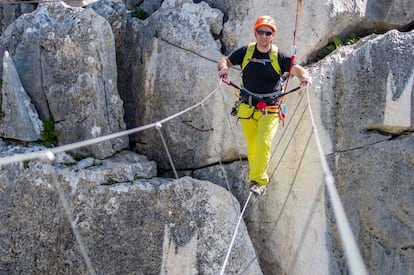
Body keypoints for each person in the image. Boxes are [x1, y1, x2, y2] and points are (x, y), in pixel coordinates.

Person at [217, 15, 312, 196]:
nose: (264, 36)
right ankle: (254, 179)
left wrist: (304, 76)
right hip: (247, 108)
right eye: (260, 32)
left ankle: (260, 181)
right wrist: (223, 69)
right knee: (253, 147)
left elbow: (297, 68)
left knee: (263, 143)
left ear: (272, 36)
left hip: (270, 109)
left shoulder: (278, 56)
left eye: (268, 33)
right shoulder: (246, 52)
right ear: (255, 33)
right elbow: (225, 61)